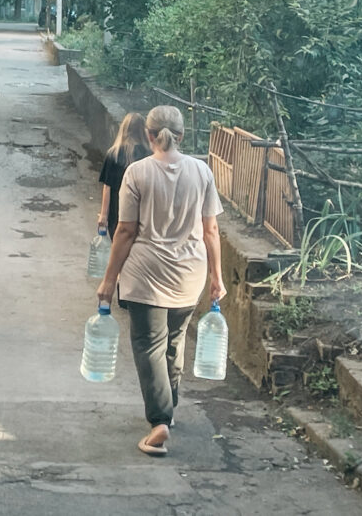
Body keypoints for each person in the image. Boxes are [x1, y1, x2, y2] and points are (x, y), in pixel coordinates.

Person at [96, 105, 225, 458]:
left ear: (149, 135)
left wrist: (108, 281)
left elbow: (125, 230)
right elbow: (211, 229)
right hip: (189, 275)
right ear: (181, 136)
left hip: (146, 275)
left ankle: (159, 422)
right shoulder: (201, 171)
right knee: (174, 342)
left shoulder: (137, 173)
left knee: (149, 345)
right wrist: (217, 277)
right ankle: (168, 408)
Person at [97, 112, 150, 239]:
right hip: (141, 209)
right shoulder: (148, 154)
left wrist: (104, 215)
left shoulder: (113, 153)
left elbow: (107, 186)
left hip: (118, 208)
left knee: (118, 243)